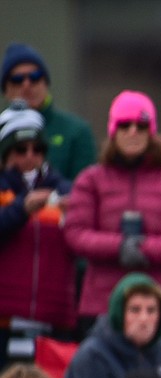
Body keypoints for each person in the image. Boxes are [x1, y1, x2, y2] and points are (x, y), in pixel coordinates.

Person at [64, 90, 161, 339]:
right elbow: (75, 232)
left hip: (159, 302)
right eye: (124, 125)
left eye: (141, 125)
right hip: (101, 302)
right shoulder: (91, 180)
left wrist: (143, 249)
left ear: (152, 131)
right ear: (113, 130)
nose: (132, 132)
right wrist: (119, 247)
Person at [0, 102, 75, 361]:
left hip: (54, 323)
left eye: (38, 149)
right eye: (21, 149)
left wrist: (75, 211)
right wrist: (22, 209)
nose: (30, 156)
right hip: (5, 323)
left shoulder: (66, 190)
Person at [1, 43, 96, 180]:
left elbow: (85, 191)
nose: (26, 85)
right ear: (5, 90)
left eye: (35, 76)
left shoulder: (76, 131)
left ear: (46, 82)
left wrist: (52, 197)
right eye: (17, 79)